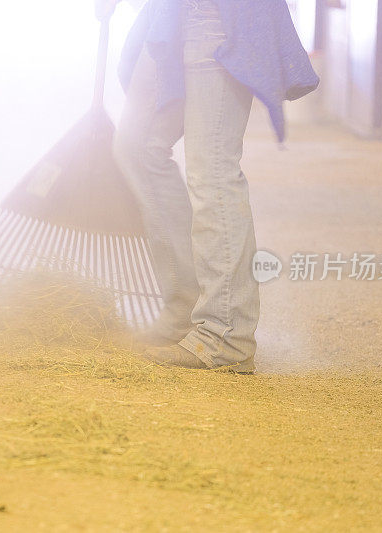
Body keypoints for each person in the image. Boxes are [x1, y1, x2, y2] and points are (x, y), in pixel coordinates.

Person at [95, 0, 318, 373]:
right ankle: (186, 307)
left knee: (212, 168)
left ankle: (225, 334)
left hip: (219, 17)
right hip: (170, 15)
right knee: (137, 147)